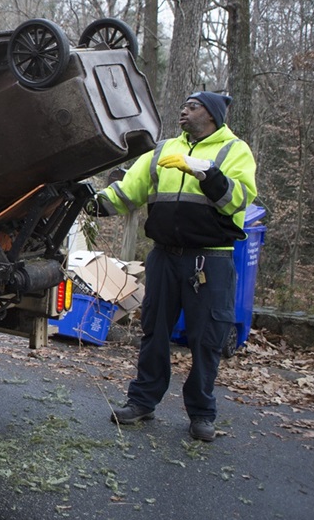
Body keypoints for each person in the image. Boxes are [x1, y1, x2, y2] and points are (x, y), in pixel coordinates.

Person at [93, 91, 257, 442]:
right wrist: (91, 204)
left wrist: (208, 174)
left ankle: (202, 414)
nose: (184, 110)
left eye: (193, 106)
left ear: (211, 115)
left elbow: (239, 200)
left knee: (206, 339)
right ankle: (142, 402)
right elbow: (127, 192)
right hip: (165, 256)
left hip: (210, 259)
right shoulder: (163, 150)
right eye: (184, 105)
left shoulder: (234, 150)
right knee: (154, 330)